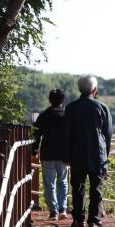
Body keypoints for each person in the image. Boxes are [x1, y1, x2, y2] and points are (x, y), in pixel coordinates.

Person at [65, 75, 113, 227]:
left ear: (79, 89)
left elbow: (67, 133)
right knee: (96, 187)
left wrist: (67, 155)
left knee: (78, 187)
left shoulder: (71, 107)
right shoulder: (102, 107)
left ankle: (79, 219)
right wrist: (106, 154)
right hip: (97, 153)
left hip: (76, 152)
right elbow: (108, 133)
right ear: (95, 90)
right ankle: (93, 220)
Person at [32, 89, 70, 220]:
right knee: (63, 182)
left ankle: (53, 211)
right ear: (62, 100)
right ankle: (62, 209)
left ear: (49, 100)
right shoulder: (67, 115)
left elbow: (36, 135)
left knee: (49, 184)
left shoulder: (44, 116)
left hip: (48, 153)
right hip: (64, 154)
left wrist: (34, 150)